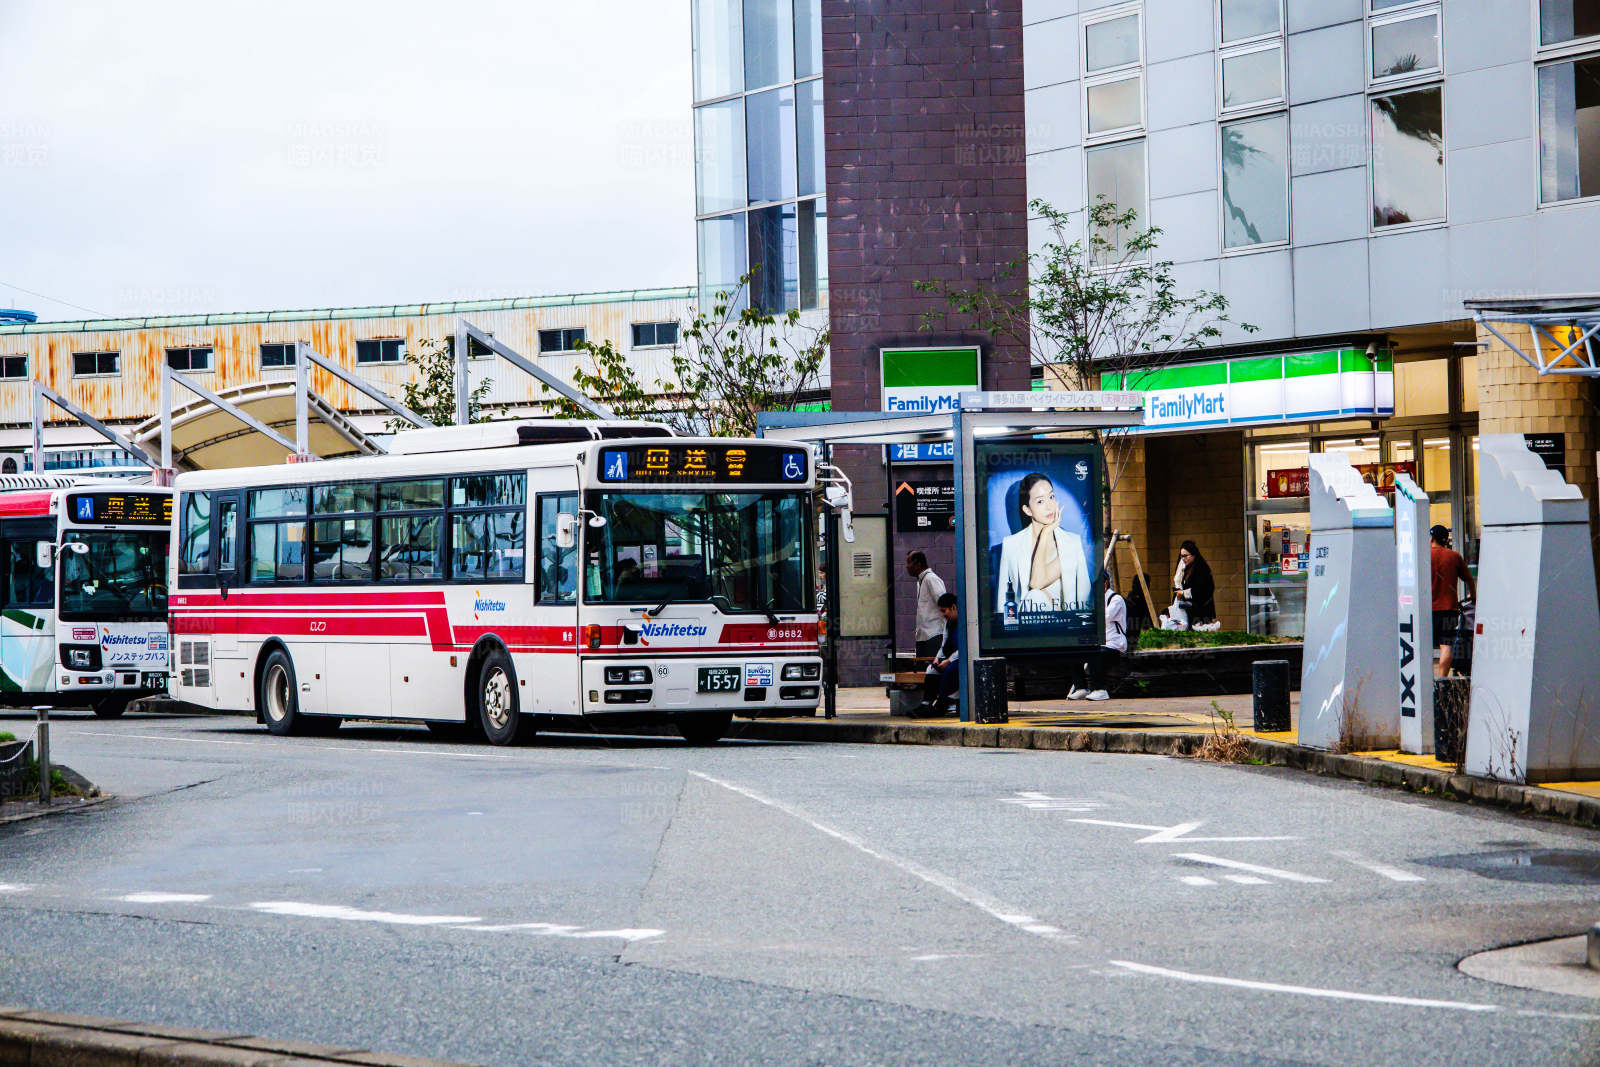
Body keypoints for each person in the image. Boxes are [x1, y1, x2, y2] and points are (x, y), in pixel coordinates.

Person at [995, 472, 1091, 619]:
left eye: (1052, 497)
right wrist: (1046, 534)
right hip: (1025, 633)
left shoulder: (1072, 543)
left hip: (1064, 630)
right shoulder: (1011, 544)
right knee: (1035, 596)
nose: (1049, 506)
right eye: (1040, 501)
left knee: (1036, 595)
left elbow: (1085, 597)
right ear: (1027, 510)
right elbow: (1003, 601)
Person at [1068, 584, 1128, 701]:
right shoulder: (1095, 599)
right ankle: (1081, 688)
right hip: (1097, 642)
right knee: (1073, 651)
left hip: (1114, 644)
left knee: (1095, 653)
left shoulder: (1115, 599)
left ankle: (1100, 690)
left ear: (1105, 583)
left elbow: (1105, 616)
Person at [1430, 524, 1475, 678]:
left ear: (1431, 538)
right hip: (1449, 609)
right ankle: (1442, 680)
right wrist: (1473, 596)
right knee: (1446, 645)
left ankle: (1424, 683)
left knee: (1420, 645)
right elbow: (1469, 579)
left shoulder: (1423, 555)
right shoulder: (1454, 556)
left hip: (1425, 609)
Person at [917, 593, 961, 715]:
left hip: (960, 658)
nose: (943, 614)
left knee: (950, 670)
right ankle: (926, 703)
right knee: (931, 670)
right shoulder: (949, 624)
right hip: (951, 657)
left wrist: (949, 661)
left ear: (953, 607)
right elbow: (944, 644)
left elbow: (965, 647)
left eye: (944, 610)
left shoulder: (965, 622)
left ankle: (943, 702)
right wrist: (937, 658)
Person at [905, 550, 947, 659]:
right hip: (922, 637)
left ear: (918, 565)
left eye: (909, 563)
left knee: (932, 672)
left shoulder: (931, 579)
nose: (906, 566)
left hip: (934, 636)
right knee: (922, 671)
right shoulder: (921, 581)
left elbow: (944, 603)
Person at [1173, 540, 1216, 627]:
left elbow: (1204, 590)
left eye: (1185, 556)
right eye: (1181, 556)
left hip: (1202, 613)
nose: (1183, 559)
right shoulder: (1187, 568)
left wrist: (1184, 593)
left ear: (1193, 554)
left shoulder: (1201, 568)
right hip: (1190, 611)